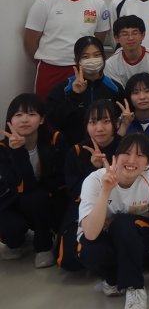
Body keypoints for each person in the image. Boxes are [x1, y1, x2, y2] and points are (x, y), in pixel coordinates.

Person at [77, 132, 149, 309]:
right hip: (105, 235)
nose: (132, 160)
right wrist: (105, 191)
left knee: (123, 224)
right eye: (126, 153)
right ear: (115, 157)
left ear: (147, 163)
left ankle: (135, 288)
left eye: (140, 155)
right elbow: (90, 233)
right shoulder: (94, 180)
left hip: (138, 235)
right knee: (89, 250)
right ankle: (113, 278)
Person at [24, 0, 110, 98]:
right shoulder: (44, 2)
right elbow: (30, 40)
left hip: (84, 70)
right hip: (50, 70)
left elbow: (99, 38)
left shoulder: (98, 4)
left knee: (82, 110)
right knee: (47, 110)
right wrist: (46, 60)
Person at [0, 94, 67, 267]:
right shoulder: (3, 149)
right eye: (18, 115)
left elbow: (62, 176)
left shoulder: (55, 140)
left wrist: (46, 191)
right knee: (12, 233)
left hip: (48, 196)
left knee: (38, 198)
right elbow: (21, 185)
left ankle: (44, 245)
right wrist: (17, 151)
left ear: (42, 119)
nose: (24, 120)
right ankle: (19, 237)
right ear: (10, 120)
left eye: (31, 114)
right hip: (13, 200)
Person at [57, 100, 120, 272]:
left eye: (105, 121)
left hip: (118, 207)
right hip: (84, 207)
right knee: (69, 262)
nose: (99, 128)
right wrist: (93, 168)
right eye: (93, 122)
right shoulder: (76, 151)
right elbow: (74, 193)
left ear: (116, 123)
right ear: (86, 125)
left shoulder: (124, 148)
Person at [45, 37, 121, 147]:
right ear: (76, 60)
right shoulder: (64, 88)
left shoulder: (115, 88)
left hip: (107, 149)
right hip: (73, 149)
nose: (92, 60)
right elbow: (54, 121)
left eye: (96, 55)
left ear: (104, 57)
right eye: (85, 57)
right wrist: (74, 95)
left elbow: (119, 121)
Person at [103, 16, 149, 87]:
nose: (130, 38)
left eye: (135, 33)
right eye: (125, 34)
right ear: (116, 38)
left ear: (143, 35)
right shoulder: (110, 64)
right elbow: (117, 91)